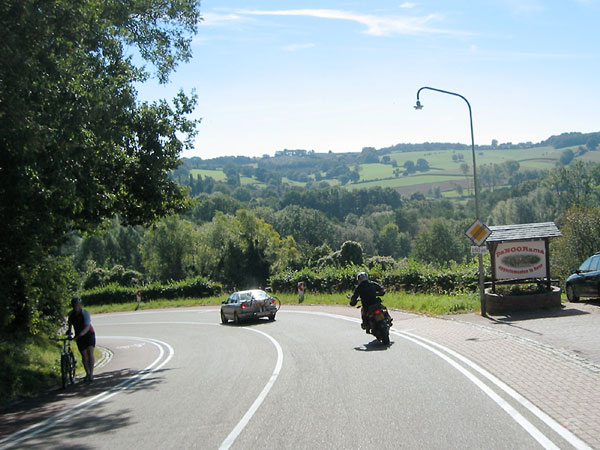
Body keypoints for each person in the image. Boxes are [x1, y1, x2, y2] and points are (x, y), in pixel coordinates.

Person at [67, 297, 96, 382]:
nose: (76, 307)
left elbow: (87, 327)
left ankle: (91, 374)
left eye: (77, 305)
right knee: (84, 355)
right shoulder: (71, 315)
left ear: (80, 305)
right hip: (79, 336)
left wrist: (79, 335)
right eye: (74, 305)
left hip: (89, 334)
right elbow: (70, 324)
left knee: (90, 353)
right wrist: (69, 332)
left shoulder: (85, 313)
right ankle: (87, 373)